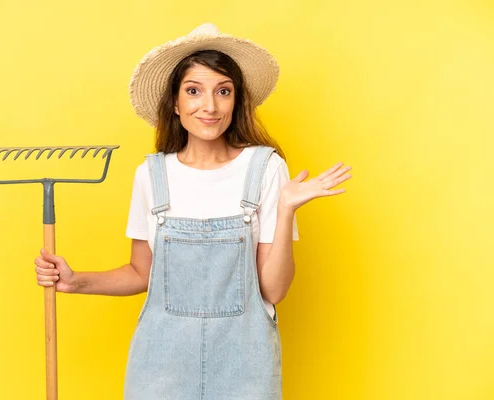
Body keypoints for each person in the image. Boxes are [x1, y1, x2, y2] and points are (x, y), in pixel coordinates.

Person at [34, 23, 352, 399]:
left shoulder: (265, 168)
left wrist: (285, 210)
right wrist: (75, 281)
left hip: (245, 362)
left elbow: (274, 290)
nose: (210, 106)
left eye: (223, 91)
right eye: (193, 91)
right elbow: (141, 272)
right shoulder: (152, 175)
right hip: (161, 363)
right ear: (175, 102)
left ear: (236, 101)